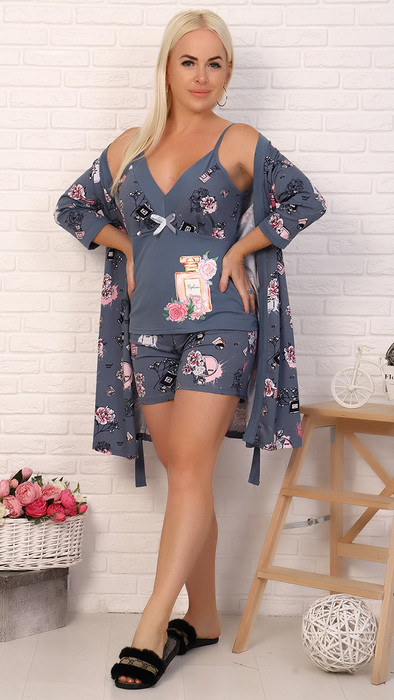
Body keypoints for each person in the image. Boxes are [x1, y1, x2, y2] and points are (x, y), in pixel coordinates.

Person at [55, 9, 326, 690]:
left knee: (191, 469)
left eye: (215, 63)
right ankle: (201, 616)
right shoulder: (129, 147)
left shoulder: (238, 140)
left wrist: (242, 247)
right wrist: (126, 247)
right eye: (189, 61)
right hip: (147, 329)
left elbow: (301, 199)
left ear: (227, 74)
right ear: (167, 69)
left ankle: (152, 622)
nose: (202, 76)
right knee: (185, 472)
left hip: (221, 323)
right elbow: (73, 207)